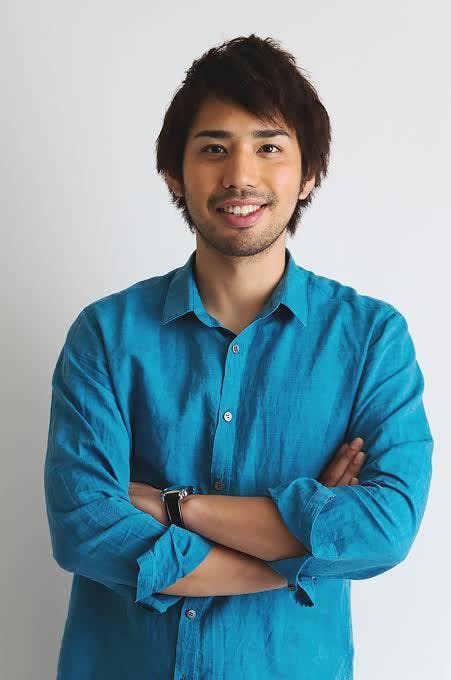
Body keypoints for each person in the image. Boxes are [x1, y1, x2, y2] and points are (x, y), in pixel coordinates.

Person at [44, 34, 433, 680]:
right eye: (214, 148)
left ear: (308, 174)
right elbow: (86, 528)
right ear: (175, 174)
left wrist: (176, 507)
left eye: (269, 147)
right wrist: (297, 554)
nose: (240, 176)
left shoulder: (372, 340)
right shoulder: (105, 336)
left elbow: (385, 527)